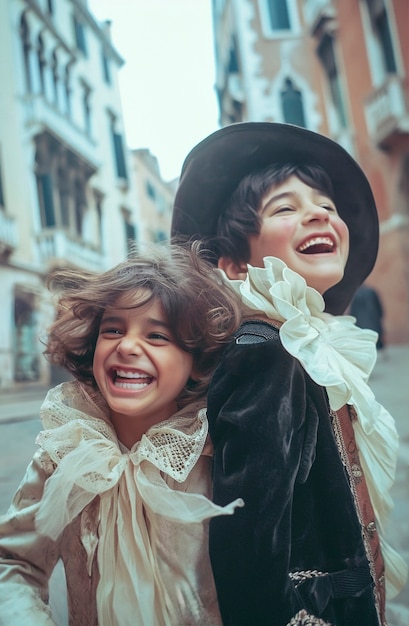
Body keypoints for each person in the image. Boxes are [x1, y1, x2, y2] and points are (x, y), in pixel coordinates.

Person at [171, 122, 407, 626]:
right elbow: (250, 549)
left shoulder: (310, 346)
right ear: (233, 263)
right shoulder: (264, 353)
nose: (319, 212)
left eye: (326, 204)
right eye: (286, 208)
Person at [0, 243, 246, 626]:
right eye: (113, 330)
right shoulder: (64, 453)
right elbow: (10, 562)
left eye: (157, 336)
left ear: (196, 362)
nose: (127, 346)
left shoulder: (217, 451)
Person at [350, 284, 385, 350]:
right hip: (373, 320)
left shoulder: (354, 293)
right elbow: (379, 307)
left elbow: (353, 310)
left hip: (360, 321)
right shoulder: (370, 291)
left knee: (365, 339)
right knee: (375, 337)